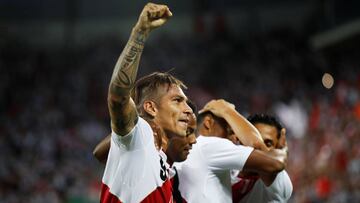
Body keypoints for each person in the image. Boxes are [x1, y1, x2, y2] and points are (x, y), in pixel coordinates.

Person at [101, 3, 196, 203]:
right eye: (177, 101)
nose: (188, 109)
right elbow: (118, 97)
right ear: (151, 108)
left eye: (186, 102)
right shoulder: (139, 135)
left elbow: (99, 153)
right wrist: (140, 31)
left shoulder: (163, 166)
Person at [175, 99, 288, 203]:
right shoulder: (209, 145)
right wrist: (227, 110)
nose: (235, 138)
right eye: (230, 131)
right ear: (208, 123)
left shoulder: (183, 155)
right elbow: (263, 152)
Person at [232, 114, 293, 203]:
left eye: (268, 144)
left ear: (277, 149)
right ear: (240, 140)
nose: (259, 148)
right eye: (255, 140)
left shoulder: (281, 182)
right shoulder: (223, 167)